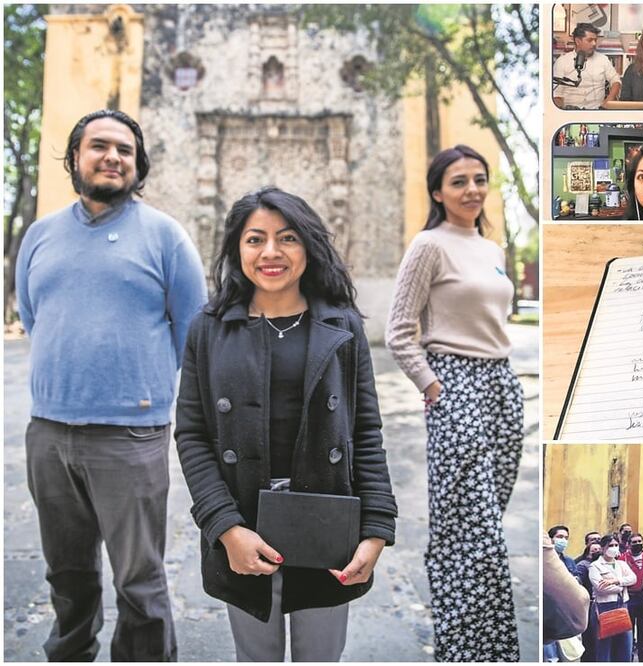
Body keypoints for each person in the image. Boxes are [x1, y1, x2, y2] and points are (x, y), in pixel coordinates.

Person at [15, 109, 207, 661]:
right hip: (48, 434)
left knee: (140, 584)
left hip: (130, 436)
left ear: (137, 164)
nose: (112, 157)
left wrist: (136, 386)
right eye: (99, 146)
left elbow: (193, 334)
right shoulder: (40, 235)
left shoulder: (166, 237)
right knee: (67, 575)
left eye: (125, 150)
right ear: (76, 157)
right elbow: (34, 315)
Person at [174, 187, 396, 661]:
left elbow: (366, 433)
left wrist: (376, 528)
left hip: (327, 523)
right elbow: (192, 435)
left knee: (321, 655)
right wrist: (225, 528)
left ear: (308, 247)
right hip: (243, 523)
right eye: (255, 239)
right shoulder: (209, 327)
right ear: (237, 248)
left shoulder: (343, 325)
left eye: (288, 238)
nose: (271, 253)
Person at [385, 145, 524, 661]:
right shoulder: (429, 245)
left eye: (479, 179)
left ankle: (483, 645)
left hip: (502, 385)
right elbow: (399, 331)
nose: (472, 190)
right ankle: (468, 647)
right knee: (472, 525)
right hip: (456, 383)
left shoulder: (491, 248)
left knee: (488, 520)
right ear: (438, 192)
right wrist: (433, 386)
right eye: (459, 181)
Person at [543, 534, 590, 663]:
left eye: (566, 537)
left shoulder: (568, 561)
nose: (563, 540)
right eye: (560, 536)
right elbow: (578, 602)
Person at [590, 534, 636, 662]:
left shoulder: (621, 564)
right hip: (604, 607)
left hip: (622, 606)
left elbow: (633, 578)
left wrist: (615, 581)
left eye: (616, 545)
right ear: (603, 548)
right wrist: (621, 587)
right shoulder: (595, 566)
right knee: (604, 648)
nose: (614, 548)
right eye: (610, 546)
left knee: (625, 646)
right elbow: (600, 587)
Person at [553, 23, 621, 109]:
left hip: (597, 111)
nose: (594, 44)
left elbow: (616, 81)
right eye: (590, 40)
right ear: (577, 41)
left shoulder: (603, 59)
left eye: (595, 40)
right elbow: (557, 94)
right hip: (570, 112)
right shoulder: (562, 61)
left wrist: (608, 101)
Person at [620, 532, 643, 662]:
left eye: (639, 541)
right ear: (629, 544)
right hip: (631, 597)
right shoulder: (622, 559)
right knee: (629, 628)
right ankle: (629, 655)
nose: (638, 544)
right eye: (634, 542)